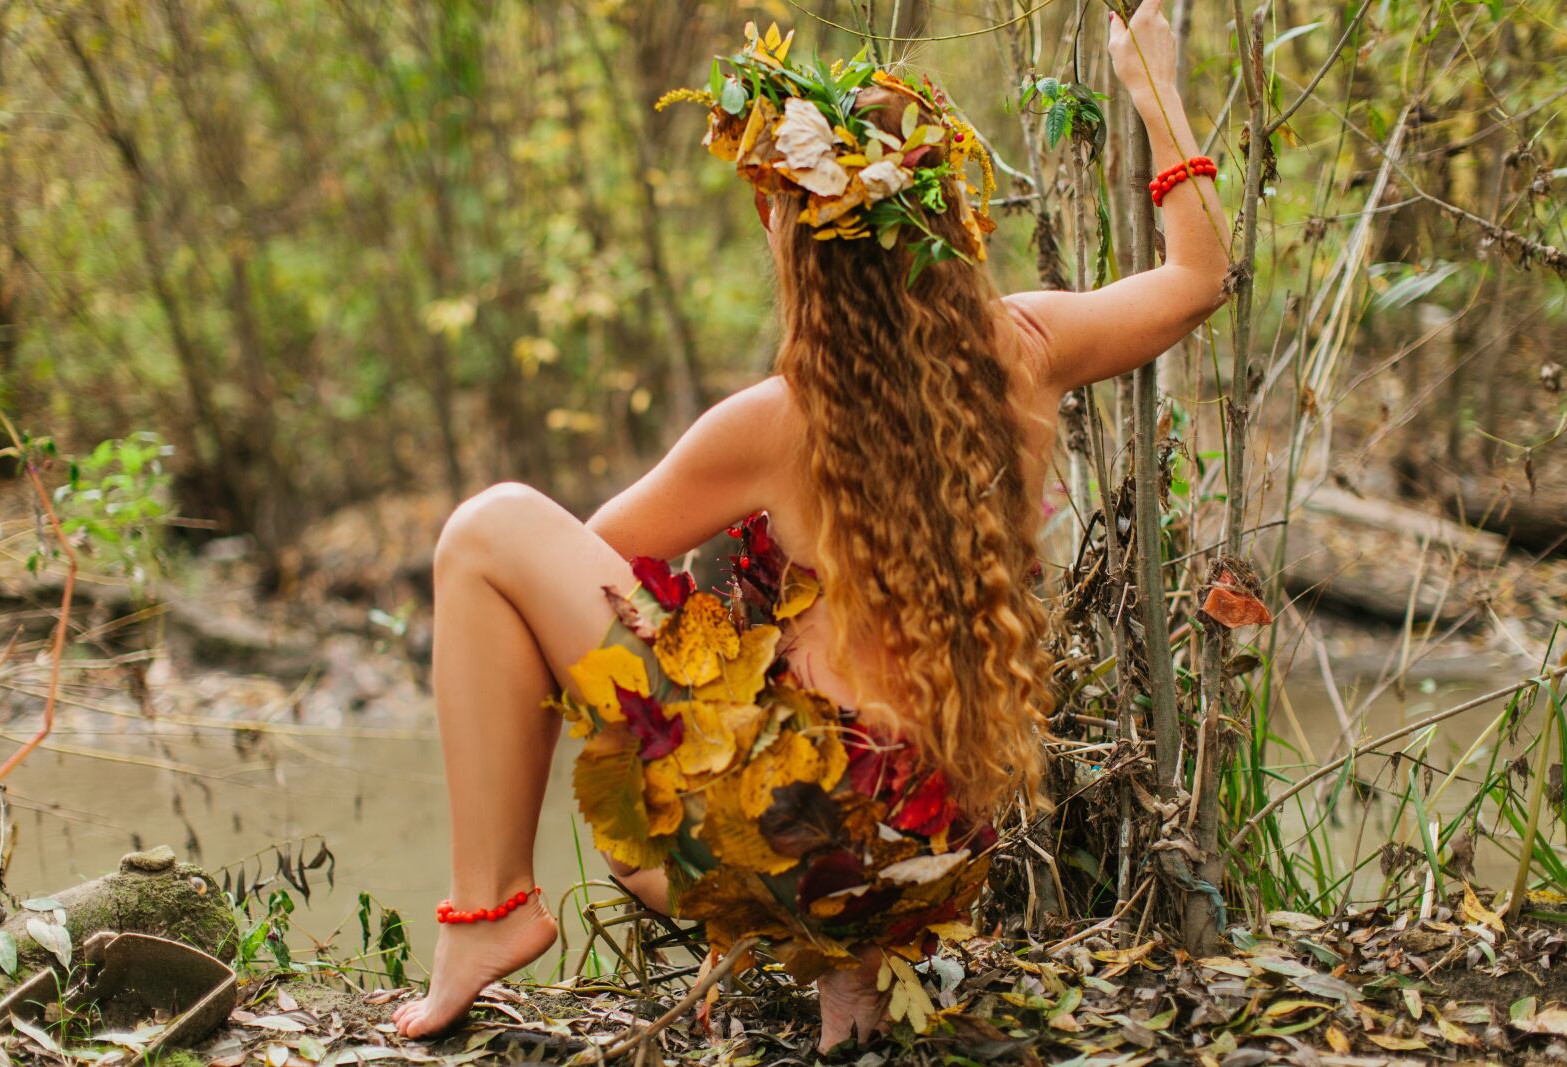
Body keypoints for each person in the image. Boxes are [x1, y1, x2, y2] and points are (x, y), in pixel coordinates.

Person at [393, 0, 1228, 1050]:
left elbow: (592, 568)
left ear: (794, 244)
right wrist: (1149, 81)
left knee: (489, 528)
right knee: (846, 729)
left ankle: (494, 904)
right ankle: (853, 999)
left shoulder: (776, 424)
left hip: (784, 856)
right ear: (948, 228)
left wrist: (726, 628)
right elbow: (1198, 278)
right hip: (937, 865)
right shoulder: (1025, 346)